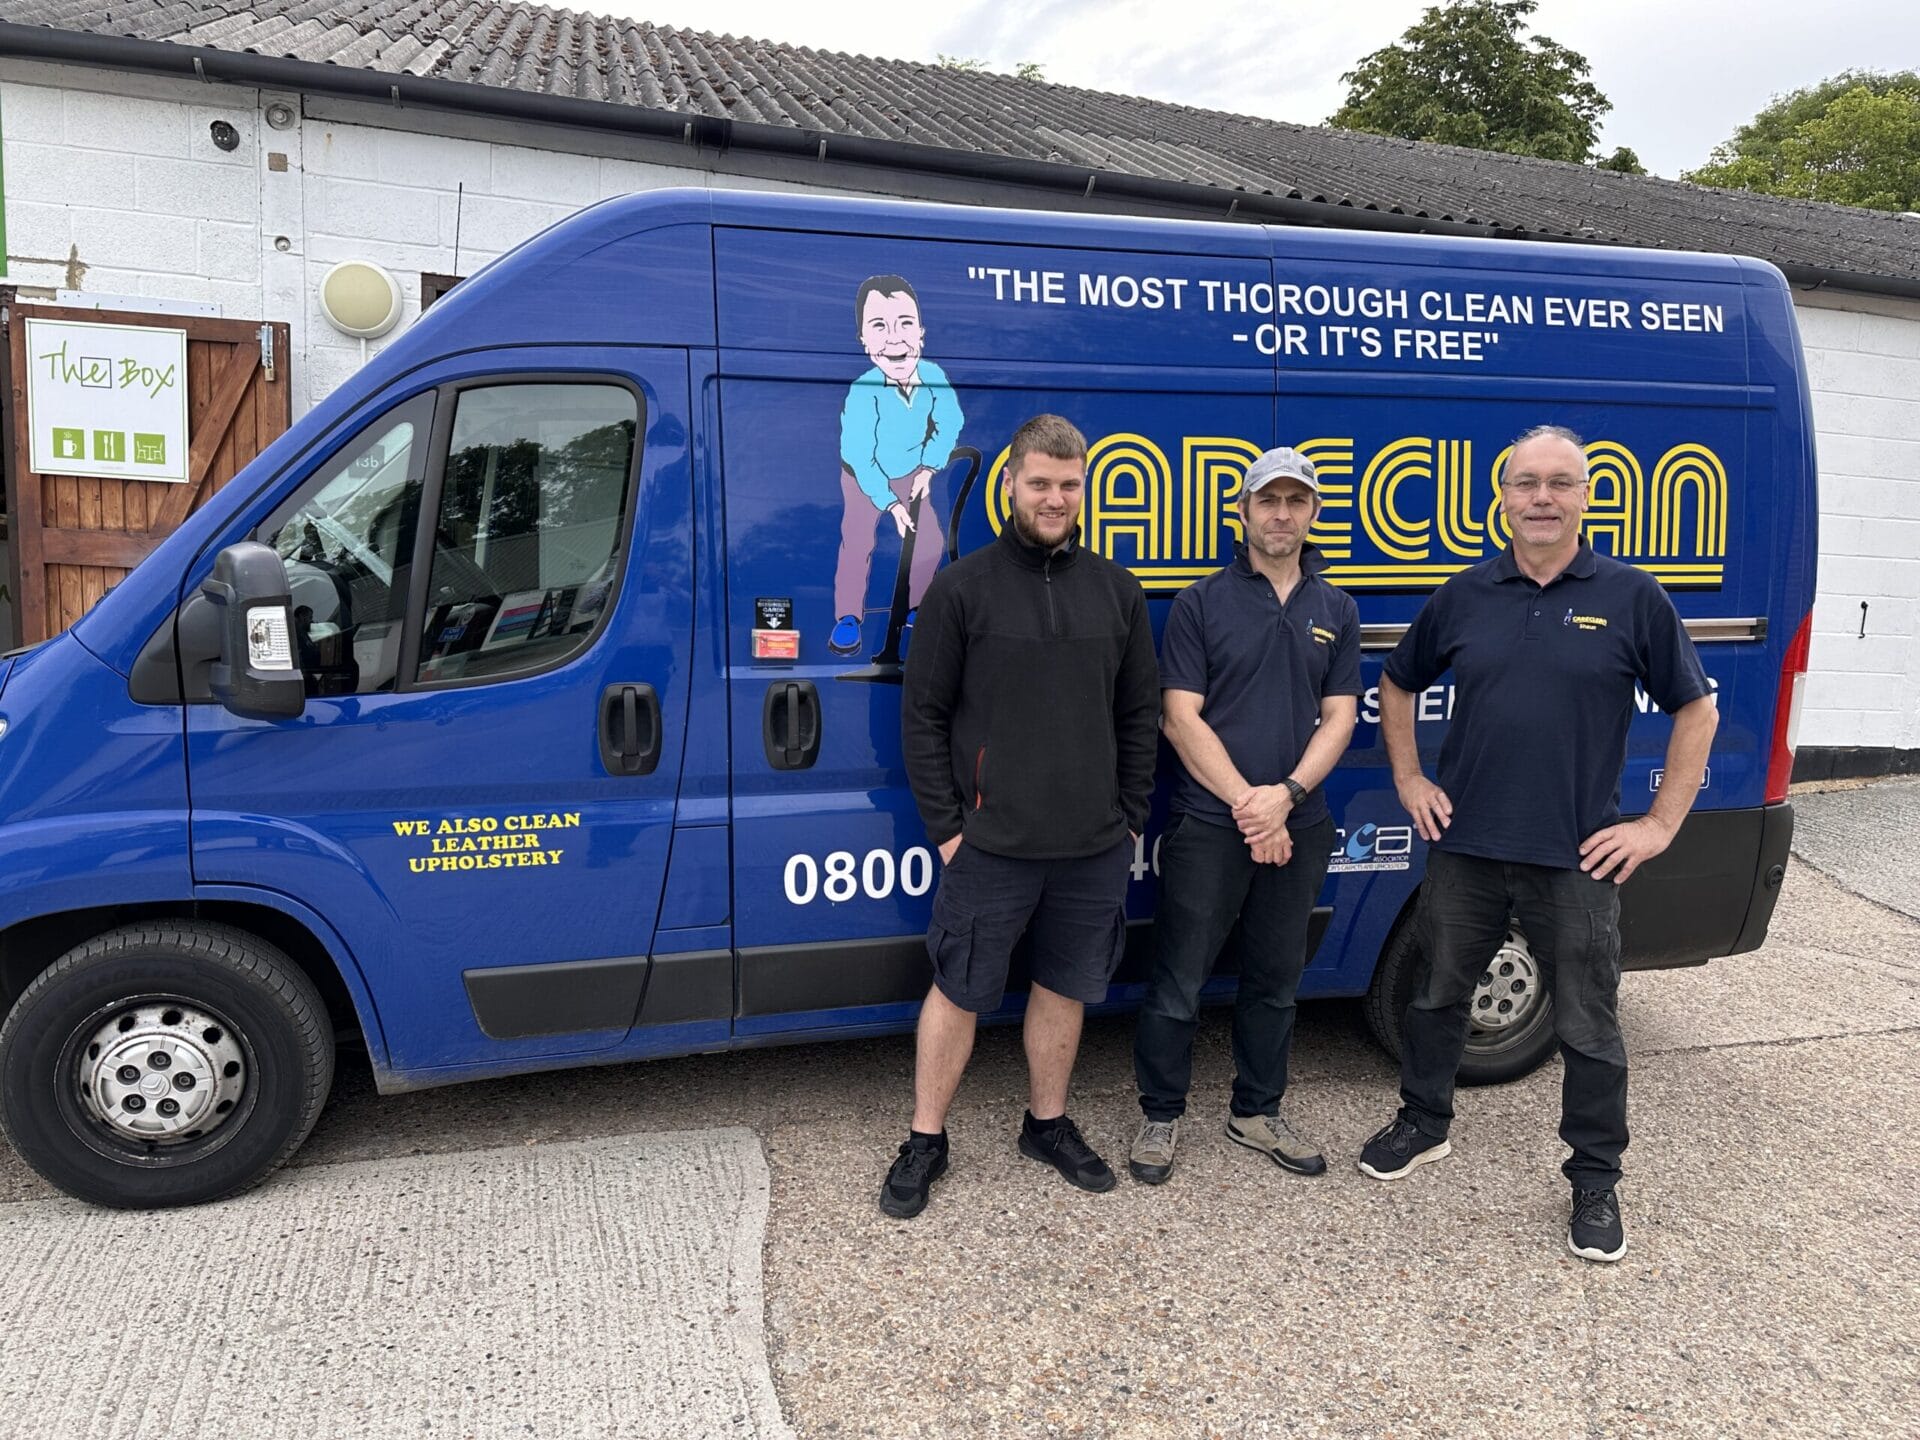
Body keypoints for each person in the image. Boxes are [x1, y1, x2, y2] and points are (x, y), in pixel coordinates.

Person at [1358, 424, 1718, 1264]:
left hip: (1578, 858)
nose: (1543, 498)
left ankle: (1594, 1180)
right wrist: (1410, 781)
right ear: (1504, 498)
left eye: (1560, 483)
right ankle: (1424, 1119)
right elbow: (1397, 681)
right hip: (1469, 849)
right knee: (1438, 995)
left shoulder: (1633, 598)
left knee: (1589, 1026)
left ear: (1587, 496)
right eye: (1527, 484)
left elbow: (1695, 710)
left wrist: (1660, 824)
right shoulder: (1466, 593)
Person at [881, 413, 1159, 1219]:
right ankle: (926, 1139)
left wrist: (1130, 814)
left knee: (1064, 986)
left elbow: (1139, 714)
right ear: (1010, 484)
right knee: (959, 990)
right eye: (1040, 482)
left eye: (1070, 485)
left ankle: (1047, 1123)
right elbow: (923, 717)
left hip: (1092, 845)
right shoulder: (962, 588)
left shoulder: (1116, 588)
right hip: (990, 844)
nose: (1056, 498)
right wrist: (948, 829)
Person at [1128, 447, 1360, 1185]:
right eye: (1269, 501)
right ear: (1244, 512)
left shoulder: (1338, 608)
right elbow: (1179, 717)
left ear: (1313, 513)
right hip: (1210, 823)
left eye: (1296, 501)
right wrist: (1248, 805)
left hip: (1301, 822)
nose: (1282, 514)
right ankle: (1160, 1115)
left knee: (1274, 980)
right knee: (1178, 978)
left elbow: (1341, 715)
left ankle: (1256, 1112)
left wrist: (1285, 797)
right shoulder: (1202, 602)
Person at [831, 274, 965, 656]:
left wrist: (927, 469)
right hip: (863, 476)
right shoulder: (862, 392)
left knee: (931, 539)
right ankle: (848, 618)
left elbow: (949, 423)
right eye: (879, 326)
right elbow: (861, 455)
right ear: (864, 341)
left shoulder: (934, 377)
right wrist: (890, 505)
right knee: (857, 542)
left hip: (909, 470)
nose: (895, 337)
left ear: (921, 332)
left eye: (905, 323)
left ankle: (918, 608)